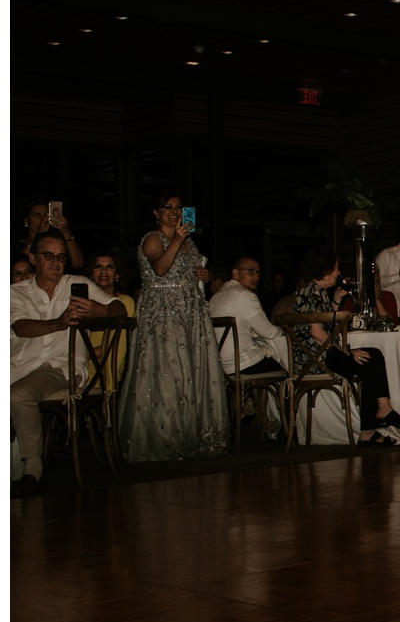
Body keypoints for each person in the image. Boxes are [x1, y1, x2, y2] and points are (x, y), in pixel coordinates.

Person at [118, 192, 233, 463]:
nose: (174, 211)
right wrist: (178, 239)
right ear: (155, 213)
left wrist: (203, 276)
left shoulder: (189, 244)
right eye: (167, 207)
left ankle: (195, 435)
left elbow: (190, 272)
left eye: (179, 207)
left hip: (191, 313)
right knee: (169, 371)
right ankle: (166, 439)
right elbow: (159, 268)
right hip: (164, 315)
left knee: (193, 370)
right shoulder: (153, 239)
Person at [10, 230, 127, 494]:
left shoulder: (78, 283)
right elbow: (21, 328)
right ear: (32, 258)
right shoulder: (14, 293)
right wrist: (58, 323)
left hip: (61, 367)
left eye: (61, 257)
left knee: (19, 394)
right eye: (48, 256)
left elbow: (119, 308)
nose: (55, 262)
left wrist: (102, 310)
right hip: (19, 366)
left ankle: (32, 468)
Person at [291, 249, 400, 447]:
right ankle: (375, 420)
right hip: (314, 360)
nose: (338, 273)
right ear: (326, 270)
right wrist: (346, 352)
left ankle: (377, 417)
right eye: (336, 268)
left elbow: (325, 321)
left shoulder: (315, 291)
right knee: (370, 358)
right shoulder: (313, 292)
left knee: (371, 357)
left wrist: (338, 298)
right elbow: (316, 332)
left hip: (318, 356)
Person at [207, 257, 286, 376]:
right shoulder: (244, 295)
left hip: (219, 365)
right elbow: (269, 332)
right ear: (236, 273)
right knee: (285, 369)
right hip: (240, 363)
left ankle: (251, 394)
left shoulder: (217, 295)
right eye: (250, 271)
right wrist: (284, 331)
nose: (256, 276)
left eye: (258, 272)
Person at [86, 249, 135, 392]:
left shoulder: (125, 303)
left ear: (117, 274)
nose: (103, 272)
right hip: (78, 368)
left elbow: (116, 346)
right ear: (91, 273)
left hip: (105, 369)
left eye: (109, 267)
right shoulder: (83, 303)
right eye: (98, 266)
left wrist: (80, 355)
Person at [19, 200, 84, 269]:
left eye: (47, 214)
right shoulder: (14, 243)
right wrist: (37, 237)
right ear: (26, 220)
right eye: (37, 215)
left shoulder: (59, 243)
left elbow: (78, 264)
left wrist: (66, 232)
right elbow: (19, 264)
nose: (43, 218)